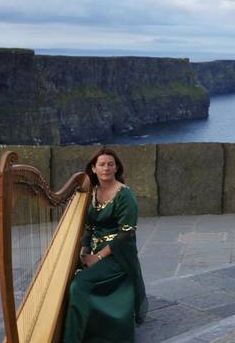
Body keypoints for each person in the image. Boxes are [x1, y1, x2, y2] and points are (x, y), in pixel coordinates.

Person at [63, 147, 147, 343]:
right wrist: (84, 250)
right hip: (93, 250)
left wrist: (97, 257)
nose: (106, 168)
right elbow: (89, 227)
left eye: (111, 164)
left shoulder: (125, 196)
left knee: (78, 285)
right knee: (65, 276)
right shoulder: (92, 193)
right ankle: (86, 328)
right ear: (93, 169)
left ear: (117, 168)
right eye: (102, 164)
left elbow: (125, 234)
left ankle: (73, 339)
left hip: (117, 255)